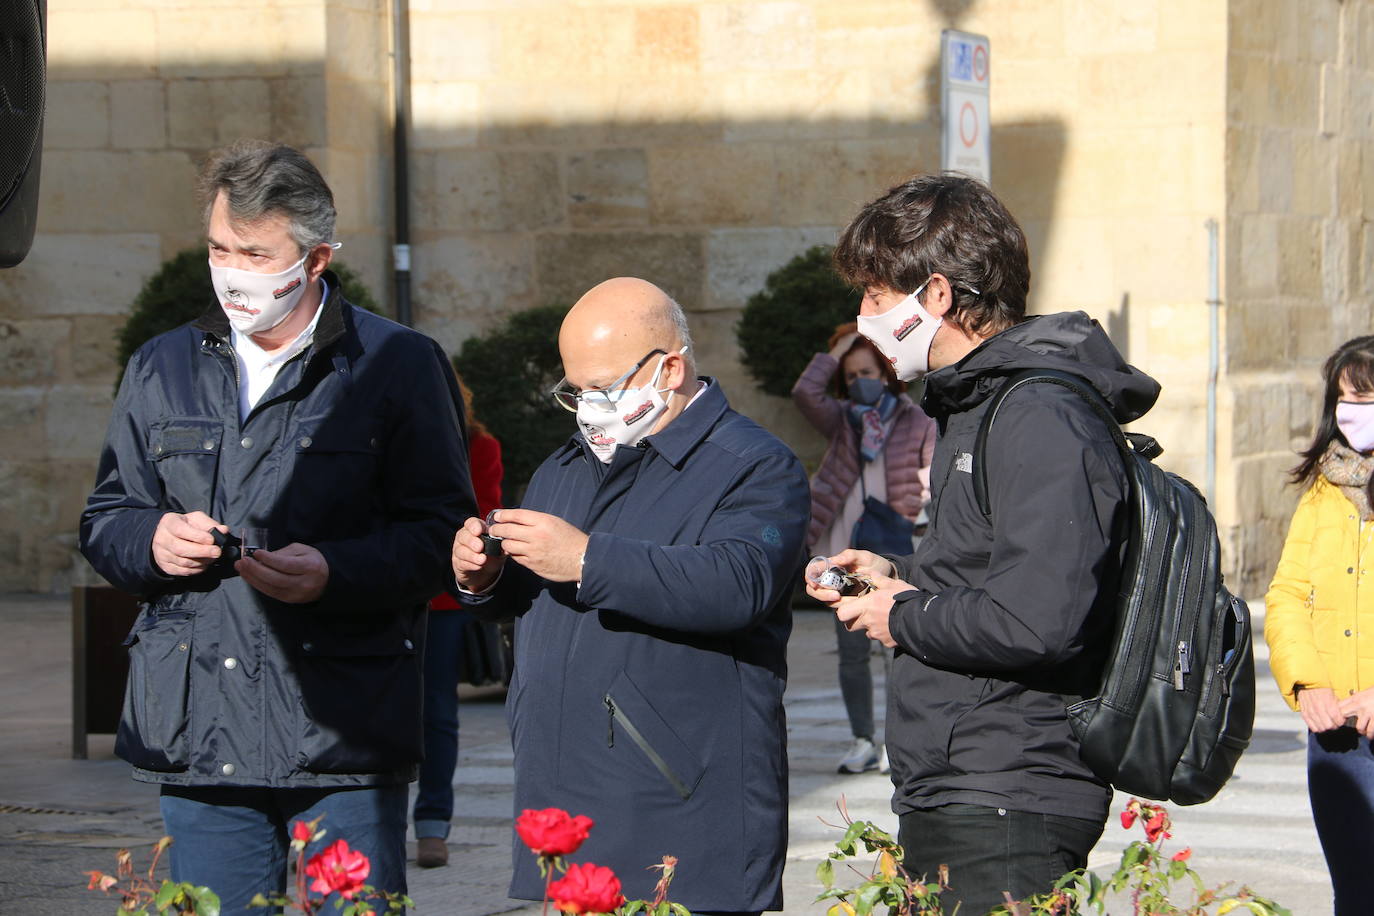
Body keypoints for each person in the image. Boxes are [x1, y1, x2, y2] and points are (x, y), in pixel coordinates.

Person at [79, 141, 474, 911]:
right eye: (219, 248)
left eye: (256, 254)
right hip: (201, 736)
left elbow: (443, 538)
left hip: (340, 733)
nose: (233, 271)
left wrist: (337, 570)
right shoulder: (163, 364)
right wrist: (150, 542)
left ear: (317, 257)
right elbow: (107, 518)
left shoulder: (397, 364)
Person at [805, 174, 1160, 915]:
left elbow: (1040, 618)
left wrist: (901, 616)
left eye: (874, 296)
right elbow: (988, 572)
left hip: (1008, 791)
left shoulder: (1038, 411)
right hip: (962, 780)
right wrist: (894, 576)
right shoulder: (979, 403)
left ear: (935, 295)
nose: (862, 318)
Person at [451, 277, 809, 916]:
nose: (589, 408)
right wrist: (485, 577)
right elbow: (539, 590)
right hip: (566, 798)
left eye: (604, 388)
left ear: (669, 369)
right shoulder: (565, 464)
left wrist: (585, 558)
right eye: (575, 391)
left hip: (680, 804)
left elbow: (738, 583)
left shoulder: (754, 463)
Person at [792, 321, 935, 774]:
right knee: (851, 650)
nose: (860, 383)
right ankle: (861, 740)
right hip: (844, 548)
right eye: (852, 376)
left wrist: (917, 509)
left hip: (895, 545)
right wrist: (838, 351)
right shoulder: (842, 420)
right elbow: (805, 393)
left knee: (899, 649)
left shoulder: (916, 419)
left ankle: (899, 740)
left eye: (868, 371)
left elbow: (931, 478)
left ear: (887, 372)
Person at [1265, 335, 1374, 916]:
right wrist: (1309, 685)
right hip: (1339, 736)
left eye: (1367, 397)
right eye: (1343, 399)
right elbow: (1286, 595)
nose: (1352, 412)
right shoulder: (1322, 492)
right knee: (1356, 896)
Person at [415, 369, 504, 869]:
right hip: (378, 590)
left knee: (437, 714)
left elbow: (485, 512)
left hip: (441, 599)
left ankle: (432, 824)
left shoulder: (478, 446)